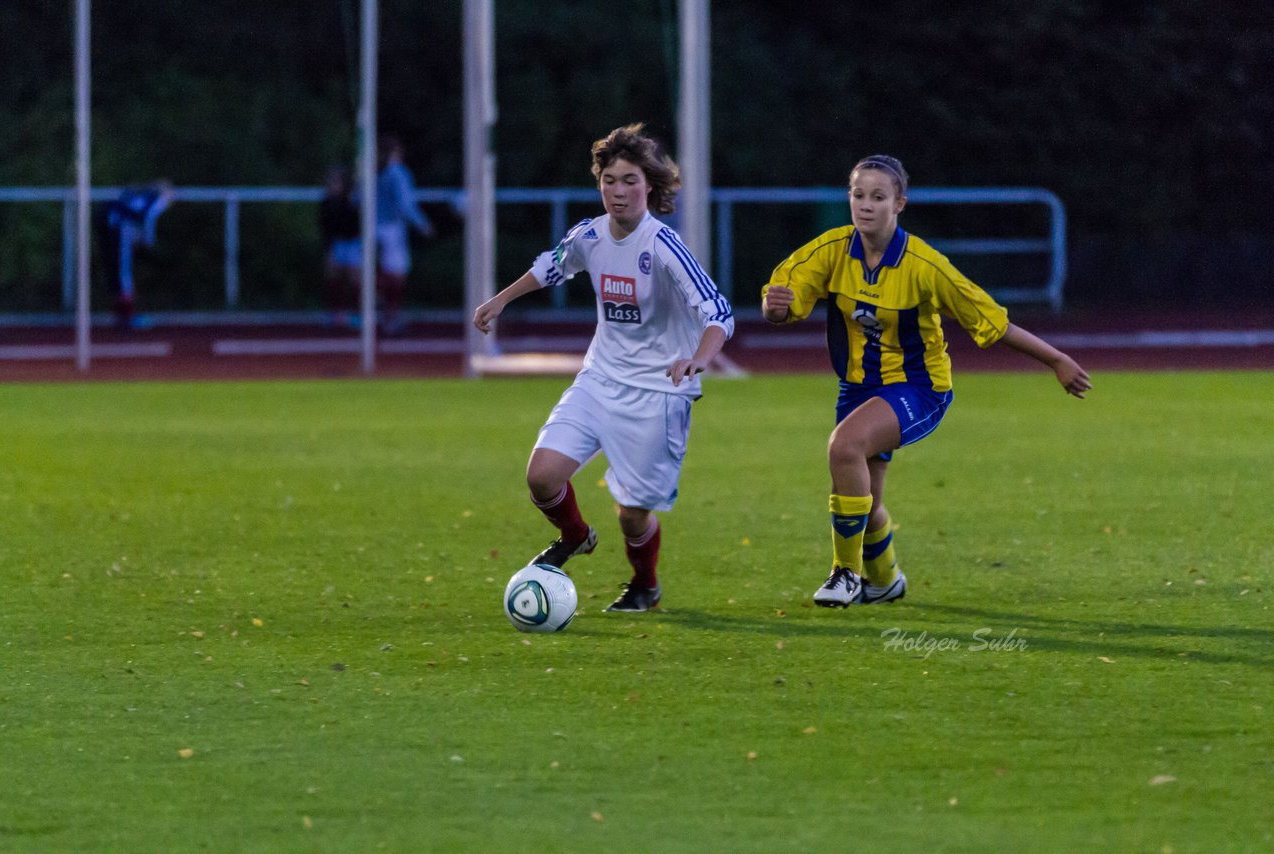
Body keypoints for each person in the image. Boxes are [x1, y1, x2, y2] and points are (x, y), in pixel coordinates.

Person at [760, 154, 1092, 609]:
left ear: (900, 204)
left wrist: (1056, 360)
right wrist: (776, 308)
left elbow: (991, 321)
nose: (866, 205)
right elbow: (784, 297)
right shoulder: (832, 250)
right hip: (857, 387)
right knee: (864, 499)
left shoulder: (924, 265)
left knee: (844, 447)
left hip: (918, 388)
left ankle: (845, 574)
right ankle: (886, 580)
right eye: (859, 195)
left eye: (879, 197)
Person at [473, 123, 734, 612]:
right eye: (609, 179)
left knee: (633, 516)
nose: (619, 191)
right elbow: (551, 266)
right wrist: (500, 300)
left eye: (630, 180)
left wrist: (699, 358)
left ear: (650, 187)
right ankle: (574, 535)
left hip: (659, 393)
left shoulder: (664, 247)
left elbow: (718, 312)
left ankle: (645, 585)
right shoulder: (589, 235)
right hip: (600, 379)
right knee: (542, 476)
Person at [375, 135, 435, 335]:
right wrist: (422, 223)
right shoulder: (397, 173)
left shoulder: (373, 172)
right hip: (391, 229)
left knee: (383, 274)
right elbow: (404, 204)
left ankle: (383, 312)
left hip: (374, 230)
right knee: (396, 276)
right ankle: (389, 317)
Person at [100, 181, 174, 329]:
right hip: (119, 231)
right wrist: (148, 241)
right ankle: (127, 317)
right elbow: (147, 218)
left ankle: (123, 317)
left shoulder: (143, 196)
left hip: (112, 229)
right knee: (122, 273)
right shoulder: (157, 200)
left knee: (118, 272)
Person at [318, 166, 362, 328]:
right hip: (336, 243)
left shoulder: (351, 201)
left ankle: (357, 314)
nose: (331, 185)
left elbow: (357, 225)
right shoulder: (326, 203)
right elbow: (325, 228)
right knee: (332, 276)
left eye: (335, 182)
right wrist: (329, 249)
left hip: (353, 243)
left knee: (355, 278)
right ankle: (335, 313)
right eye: (329, 182)